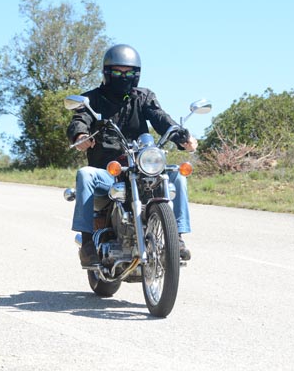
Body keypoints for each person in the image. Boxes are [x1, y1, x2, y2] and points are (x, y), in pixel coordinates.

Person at [67, 44, 198, 267]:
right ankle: (87, 243)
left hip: (142, 167)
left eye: (128, 73)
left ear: (136, 74)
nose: (123, 77)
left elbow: (160, 118)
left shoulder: (143, 97)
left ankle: (177, 238)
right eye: (117, 72)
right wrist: (80, 135)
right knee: (85, 174)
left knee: (178, 175)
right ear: (107, 73)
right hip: (109, 173)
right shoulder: (92, 99)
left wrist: (181, 136)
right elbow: (80, 120)